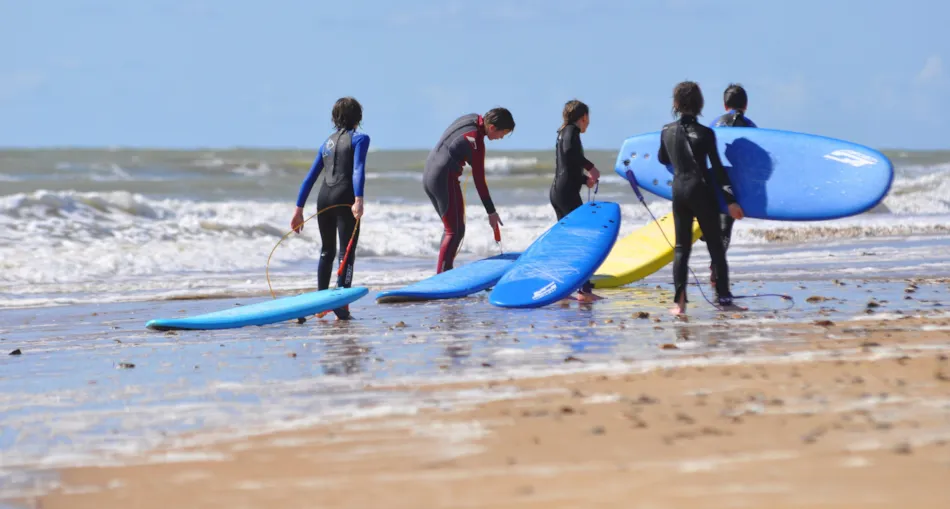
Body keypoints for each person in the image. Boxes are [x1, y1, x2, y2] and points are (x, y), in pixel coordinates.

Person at [656, 81, 745, 315]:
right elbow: (717, 169)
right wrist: (731, 200)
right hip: (701, 191)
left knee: (680, 248)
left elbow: (662, 158)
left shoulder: (666, 131)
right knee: (715, 247)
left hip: (679, 192)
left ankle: (679, 303)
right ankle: (724, 299)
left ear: (675, 104)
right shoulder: (706, 134)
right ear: (700, 104)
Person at [290, 97, 369, 320]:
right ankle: (341, 306)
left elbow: (310, 178)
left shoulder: (326, 143)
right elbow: (358, 169)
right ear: (358, 117)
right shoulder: (360, 139)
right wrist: (359, 198)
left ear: (335, 118)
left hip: (323, 198)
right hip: (345, 197)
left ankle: (320, 303)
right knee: (347, 252)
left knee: (327, 251)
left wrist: (298, 209)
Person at [423, 108, 514, 273]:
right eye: (502, 133)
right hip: (444, 179)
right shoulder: (476, 142)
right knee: (455, 231)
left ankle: (444, 272)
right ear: (492, 127)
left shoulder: (470, 118)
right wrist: (491, 212)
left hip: (429, 174)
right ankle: (442, 277)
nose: (501, 138)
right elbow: (479, 180)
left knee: (452, 229)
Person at [704, 83, 758, 284]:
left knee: (713, 222)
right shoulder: (752, 126)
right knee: (725, 225)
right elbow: (756, 159)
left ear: (724, 105)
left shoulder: (714, 124)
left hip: (713, 179)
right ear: (746, 104)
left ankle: (713, 257)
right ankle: (716, 266)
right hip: (737, 185)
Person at [550, 99, 602, 302]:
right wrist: (591, 167)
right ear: (584, 117)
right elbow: (571, 155)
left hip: (559, 191)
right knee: (582, 241)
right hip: (566, 194)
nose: (588, 123)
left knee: (567, 243)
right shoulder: (572, 131)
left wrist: (583, 180)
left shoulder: (563, 132)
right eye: (588, 119)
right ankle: (584, 291)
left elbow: (566, 166)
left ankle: (565, 290)